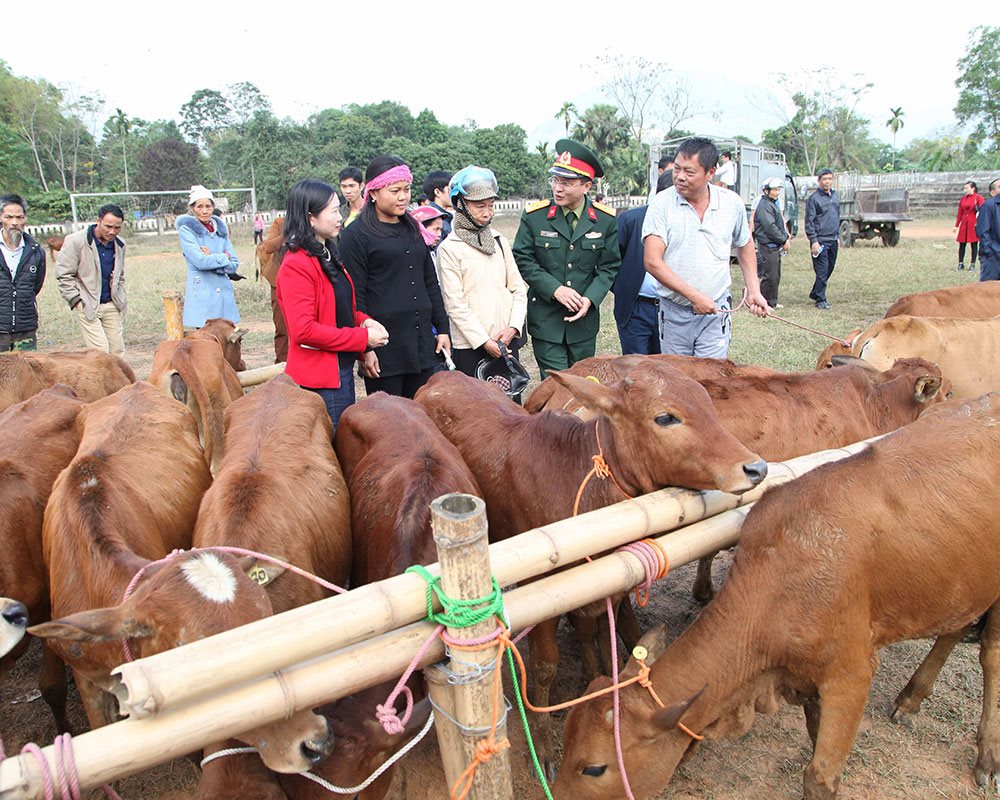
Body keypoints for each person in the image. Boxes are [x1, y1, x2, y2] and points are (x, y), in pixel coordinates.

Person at [641, 137, 769, 358]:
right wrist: (694, 297)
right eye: (677, 169)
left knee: (712, 383)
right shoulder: (661, 204)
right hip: (674, 314)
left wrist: (754, 290)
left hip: (715, 313)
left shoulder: (731, 204)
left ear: (711, 173)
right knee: (678, 383)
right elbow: (652, 261)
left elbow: (745, 244)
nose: (680, 177)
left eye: (689, 172)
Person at [276, 179, 389, 427]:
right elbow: (304, 330)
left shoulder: (326, 252)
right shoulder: (297, 263)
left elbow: (338, 311)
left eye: (340, 209)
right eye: (334, 211)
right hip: (320, 383)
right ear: (310, 218)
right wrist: (362, 338)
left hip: (340, 372)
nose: (341, 217)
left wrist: (364, 326)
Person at [339, 155, 451, 398]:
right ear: (374, 192)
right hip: (384, 345)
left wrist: (442, 329)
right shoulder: (355, 235)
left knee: (423, 416)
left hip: (421, 341)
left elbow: (430, 282)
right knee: (391, 422)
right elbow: (354, 296)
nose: (403, 197)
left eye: (407, 189)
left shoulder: (413, 227)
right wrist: (364, 348)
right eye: (395, 190)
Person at [512, 139, 620, 378]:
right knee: (556, 385)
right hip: (546, 320)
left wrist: (590, 299)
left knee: (584, 385)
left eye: (567, 182)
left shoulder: (605, 220)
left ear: (587, 186)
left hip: (583, 322)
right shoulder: (535, 216)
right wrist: (555, 289)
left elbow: (609, 267)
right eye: (555, 180)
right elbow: (523, 258)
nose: (557, 188)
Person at [436, 166, 528, 395]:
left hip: (506, 343)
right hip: (471, 346)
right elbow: (454, 304)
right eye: (479, 206)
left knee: (510, 413)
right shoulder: (449, 248)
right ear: (460, 205)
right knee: (477, 415)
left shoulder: (499, 242)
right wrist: (484, 341)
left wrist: (513, 328)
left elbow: (518, 289)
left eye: (490, 205)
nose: (487, 212)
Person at [612, 171, 673, 355]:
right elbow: (611, 262)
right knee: (635, 369)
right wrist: (625, 288)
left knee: (667, 369)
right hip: (636, 308)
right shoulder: (631, 220)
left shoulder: (689, 224)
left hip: (672, 308)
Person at [55, 204, 127, 354]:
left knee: (118, 352)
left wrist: (120, 297)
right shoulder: (76, 241)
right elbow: (64, 274)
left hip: (112, 304)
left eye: (117, 228)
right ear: (98, 221)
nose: (112, 231)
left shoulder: (120, 244)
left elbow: (120, 275)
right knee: (100, 353)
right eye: (108, 226)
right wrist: (76, 301)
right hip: (88, 304)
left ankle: (115, 379)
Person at [177, 185, 243, 329]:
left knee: (228, 344)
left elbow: (234, 264)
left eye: (208, 206)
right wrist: (223, 257)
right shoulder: (187, 231)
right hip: (203, 295)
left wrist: (212, 257)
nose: (204, 210)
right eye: (200, 206)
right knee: (205, 344)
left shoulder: (221, 230)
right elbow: (200, 262)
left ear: (213, 207)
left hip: (224, 296)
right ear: (193, 208)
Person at [0, 194, 45, 352]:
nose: (14, 222)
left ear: (25, 219)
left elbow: (36, 286)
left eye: (19, 217)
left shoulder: (36, 251)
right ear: (1, 218)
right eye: (9, 217)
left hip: (25, 328)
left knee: (27, 372)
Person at [804, 168, 840, 309]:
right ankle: (820, 299)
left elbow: (837, 216)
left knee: (830, 268)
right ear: (819, 181)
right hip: (820, 240)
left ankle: (815, 292)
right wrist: (814, 241)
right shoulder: (814, 199)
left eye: (830, 179)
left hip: (833, 238)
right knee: (822, 270)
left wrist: (837, 236)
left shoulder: (836, 196)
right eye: (825, 179)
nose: (827, 182)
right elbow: (809, 221)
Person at [752, 177, 790, 309]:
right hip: (768, 246)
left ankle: (771, 302)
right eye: (774, 189)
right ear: (766, 191)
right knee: (770, 276)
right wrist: (783, 239)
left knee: (775, 275)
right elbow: (770, 227)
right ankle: (763, 302)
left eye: (778, 189)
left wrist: (785, 236)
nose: (777, 192)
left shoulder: (772, 204)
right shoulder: (764, 206)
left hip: (774, 247)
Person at [258, 215, 288, 362]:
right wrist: (288, 233)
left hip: (306, 281)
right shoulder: (281, 222)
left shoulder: (316, 221)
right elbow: (268, 246)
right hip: (280, 282)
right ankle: (282, 365)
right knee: (282, 327)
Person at [955, 180, 985, 271]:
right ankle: (960, 263)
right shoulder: (963, 199)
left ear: (973, 188)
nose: (965, 190)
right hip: (964, 223)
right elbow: (960, 212)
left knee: (974, 244)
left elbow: (983, 210)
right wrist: (956, 225)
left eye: (966, 188)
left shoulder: (978, 198)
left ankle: (972, 264)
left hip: (973, 223)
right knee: (962, 244)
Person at [976, 178, 1000, 282]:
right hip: (993, 256)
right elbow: (983, 231)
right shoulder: (989, 205)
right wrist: (991, 251)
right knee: (988, 291)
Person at [423, 170, 454, 239]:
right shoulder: (434, 219)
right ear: (437, 192)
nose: (454, 194)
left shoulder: (445, 217)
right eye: (450, 190)